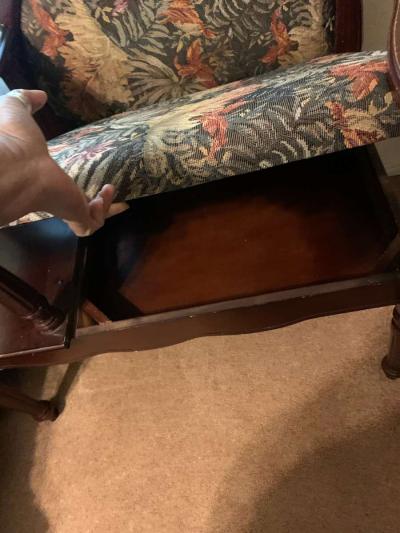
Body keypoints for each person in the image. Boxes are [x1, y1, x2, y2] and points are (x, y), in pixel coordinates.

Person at [0, 89, 119, 236]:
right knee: (25, 97)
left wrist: (84, 220)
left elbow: (86, 225)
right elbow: (39, 96)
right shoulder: (6, 106)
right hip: (14, 124)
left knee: (88, 221)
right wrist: (18, 98)